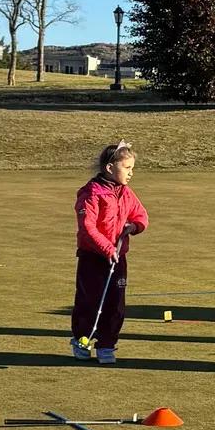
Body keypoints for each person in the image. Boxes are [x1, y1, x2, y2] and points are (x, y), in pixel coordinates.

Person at [72, 141, 149, 364]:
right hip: (92, 257)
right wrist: (106, 248)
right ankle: (82, 340)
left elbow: (141, 215)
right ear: (109, 168)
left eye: (132, 168)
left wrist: (134, 227)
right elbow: (88, 227)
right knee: (89, 301)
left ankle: (106, 345)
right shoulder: (91, 193)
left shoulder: (125, 193)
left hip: (118, 258)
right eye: (127, 168)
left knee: (115, 304)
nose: (131, 173)